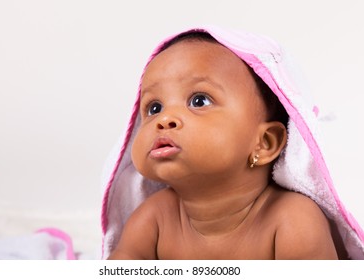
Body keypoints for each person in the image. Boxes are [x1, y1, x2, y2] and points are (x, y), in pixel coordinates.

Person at [101, 27, 364, 260]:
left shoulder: (291, 220)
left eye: (199, 101)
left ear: (264, 143)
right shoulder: (153, 218)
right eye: (154, 107)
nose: (164, 119)